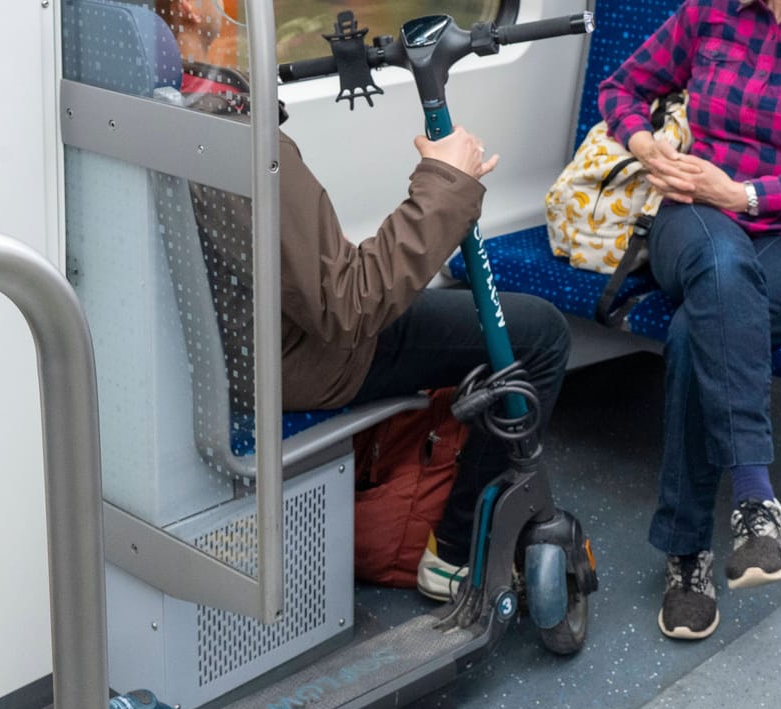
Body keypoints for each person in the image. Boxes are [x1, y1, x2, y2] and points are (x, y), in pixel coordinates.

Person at [155, 0, 573, 602]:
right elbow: (349, 306)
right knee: (539, 335)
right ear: (194, 8)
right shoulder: (227, 135)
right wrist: (447, 181)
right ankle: (456, 554)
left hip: (242, 344)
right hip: (304, 359)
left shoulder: (163, 104)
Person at [598, 0, 781, 639]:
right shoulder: (708, 14)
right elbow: (621, 88)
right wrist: (648, 145)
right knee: (720, 275)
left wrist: (746, 195)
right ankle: (757, 500)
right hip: (696, 217)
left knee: (692, 329)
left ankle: (686, 556)